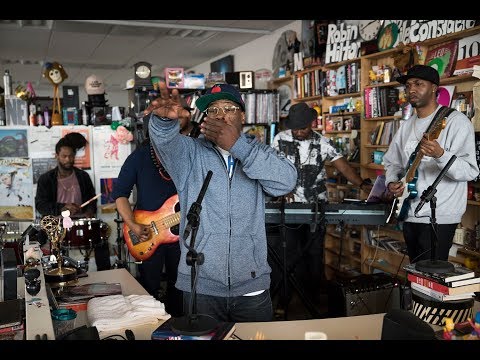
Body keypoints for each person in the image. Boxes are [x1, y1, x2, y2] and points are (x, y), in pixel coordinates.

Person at [145, 82, 297, 323]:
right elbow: (164, 142)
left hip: (252, 286)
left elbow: (287, 182)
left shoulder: (259, 153)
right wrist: (164, 122)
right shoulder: (190, 153)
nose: (220, 115)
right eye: (213, 110)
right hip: (201, 285)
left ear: (242, 115)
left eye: (228, 108)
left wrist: (238, 147)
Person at [270, 102, 372, 311]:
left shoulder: (322, 142)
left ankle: (313, 301)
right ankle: (284, 301)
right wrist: (281, 189)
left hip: (317, 207)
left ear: (312, 124)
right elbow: (272, 167)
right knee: (288, 255)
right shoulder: (280, 139)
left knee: (314, 255)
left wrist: (362, 184)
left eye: (303, 128)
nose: (298, 132)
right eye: (295, 128)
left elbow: (342, 165)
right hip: (289, 207)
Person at [383, 65, 479, 263]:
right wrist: (392, 181)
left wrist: (441, 154)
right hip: (409, 212)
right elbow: (392, 162)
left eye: (419, 84)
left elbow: (470, 171)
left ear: (434, 88)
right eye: (408, 85)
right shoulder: (406, 125)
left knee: (431, 282)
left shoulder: (456, 122)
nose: (411, 89)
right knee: (414, 275)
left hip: (439, 217)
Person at [111, 99, 197, 318]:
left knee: (181, 287)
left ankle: (178, 326)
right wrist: (132, 224)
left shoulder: (185, 154)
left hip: (182, 234)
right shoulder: (138, 158)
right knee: (148, 289)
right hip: (147, 233)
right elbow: (120, 194)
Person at [35, 132, 110, 270]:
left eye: (71, 156)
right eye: (64, 156)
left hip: (79, 224)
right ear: (57, 155)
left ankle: (104, 276)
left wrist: (89, 211)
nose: (68, 159)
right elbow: (40, 205)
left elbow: (91, 200)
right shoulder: (46, 179)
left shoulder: (83, 177)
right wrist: (62, 208)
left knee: (102, 238)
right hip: (57, 226)